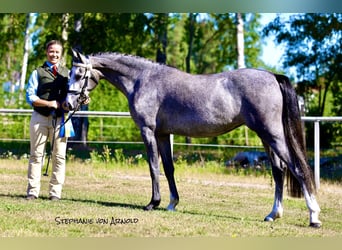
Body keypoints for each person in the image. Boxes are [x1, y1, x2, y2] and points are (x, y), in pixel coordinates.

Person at [25, 40, 69, 201]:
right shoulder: (37, 72)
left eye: (57, 52)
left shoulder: (67, 73)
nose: (54, 54)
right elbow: (30, 97)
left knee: (59, 156)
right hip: (39, 118)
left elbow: (70, 97)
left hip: (60, 119)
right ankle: (32, 191)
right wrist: (49, 103)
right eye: (51, 51)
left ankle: (55, 193)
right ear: (46, 52)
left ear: (61, 54)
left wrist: (77, 101)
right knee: (36, 155)